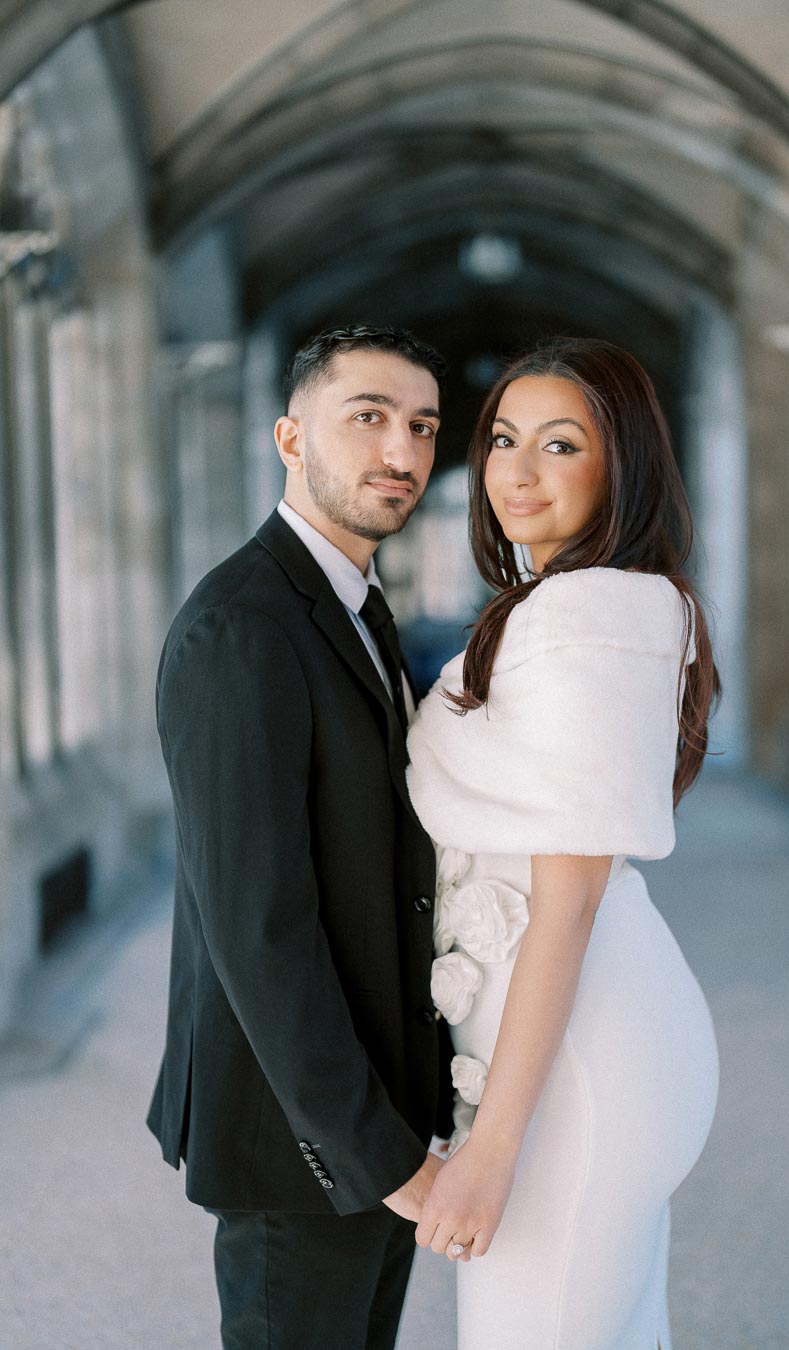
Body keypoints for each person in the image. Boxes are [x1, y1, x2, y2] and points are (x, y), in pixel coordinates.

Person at [406, 338, 722, 1350]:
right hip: (580, 1041)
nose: (517, 471)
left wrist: (493, 1147)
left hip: (577, 1060)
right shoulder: (558, 607)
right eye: (503, 439)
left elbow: (569, 898)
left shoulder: (590, 617)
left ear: (619, 466)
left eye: (561, 444)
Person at [146, 324, 455, 1349]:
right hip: (305, 1135)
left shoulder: (356, 605)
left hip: (379, 1106)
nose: (400, 454)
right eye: (366, 419)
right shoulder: (242, 625)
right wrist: (377, 1152)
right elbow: (258, 930)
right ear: (290, 437)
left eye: (421, 426)